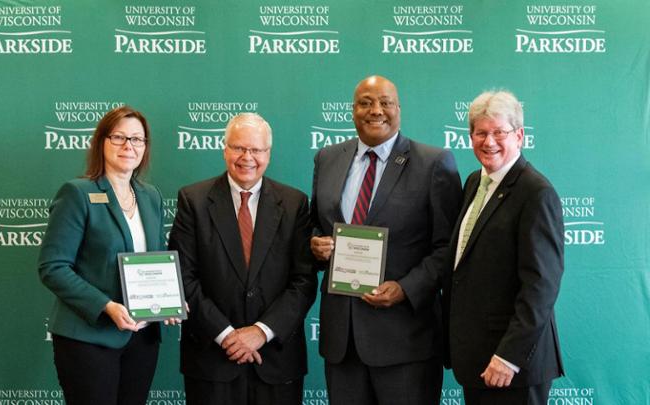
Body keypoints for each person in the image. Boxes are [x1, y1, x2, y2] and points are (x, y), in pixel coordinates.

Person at [310, 75, 463, 404]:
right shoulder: (327, 158)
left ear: (399, 109)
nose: (375, 110)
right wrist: (316, 246)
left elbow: (449, 246)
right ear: (352, 111)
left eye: (385, 102)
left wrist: (407, 289)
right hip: (343, 341)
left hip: (405, 340)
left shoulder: (433, 162)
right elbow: (314, 225)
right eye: (365, 102)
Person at [168, 113, 317, 405]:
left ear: (268, 154)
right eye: (238, 148)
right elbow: (183, 276)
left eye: (256, 150)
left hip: (276, 359)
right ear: (224, 149)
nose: (247, 157)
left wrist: (261, 332)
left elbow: (304, 280)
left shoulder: (294, 203)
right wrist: (226, 335)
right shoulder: (193, 200)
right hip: (212, 359)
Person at [38, 106, 179, 405]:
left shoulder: (150, 196)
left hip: (141, 338)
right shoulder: (77, 193)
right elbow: (53, 267)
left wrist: (170, 299)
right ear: (101, 142)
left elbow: (156, 259)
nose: (129, 146)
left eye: (137, 139)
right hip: (88, 338)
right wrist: (106, 306)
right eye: (119, 137)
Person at [444, 90, 564, 405]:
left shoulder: (535, 192)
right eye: (481, 133)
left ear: (520, 135)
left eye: (500, 132)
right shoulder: (474, 182)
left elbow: (541, 286)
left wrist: (508, 356)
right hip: (477, 360)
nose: (489, 141)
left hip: (513, 367)